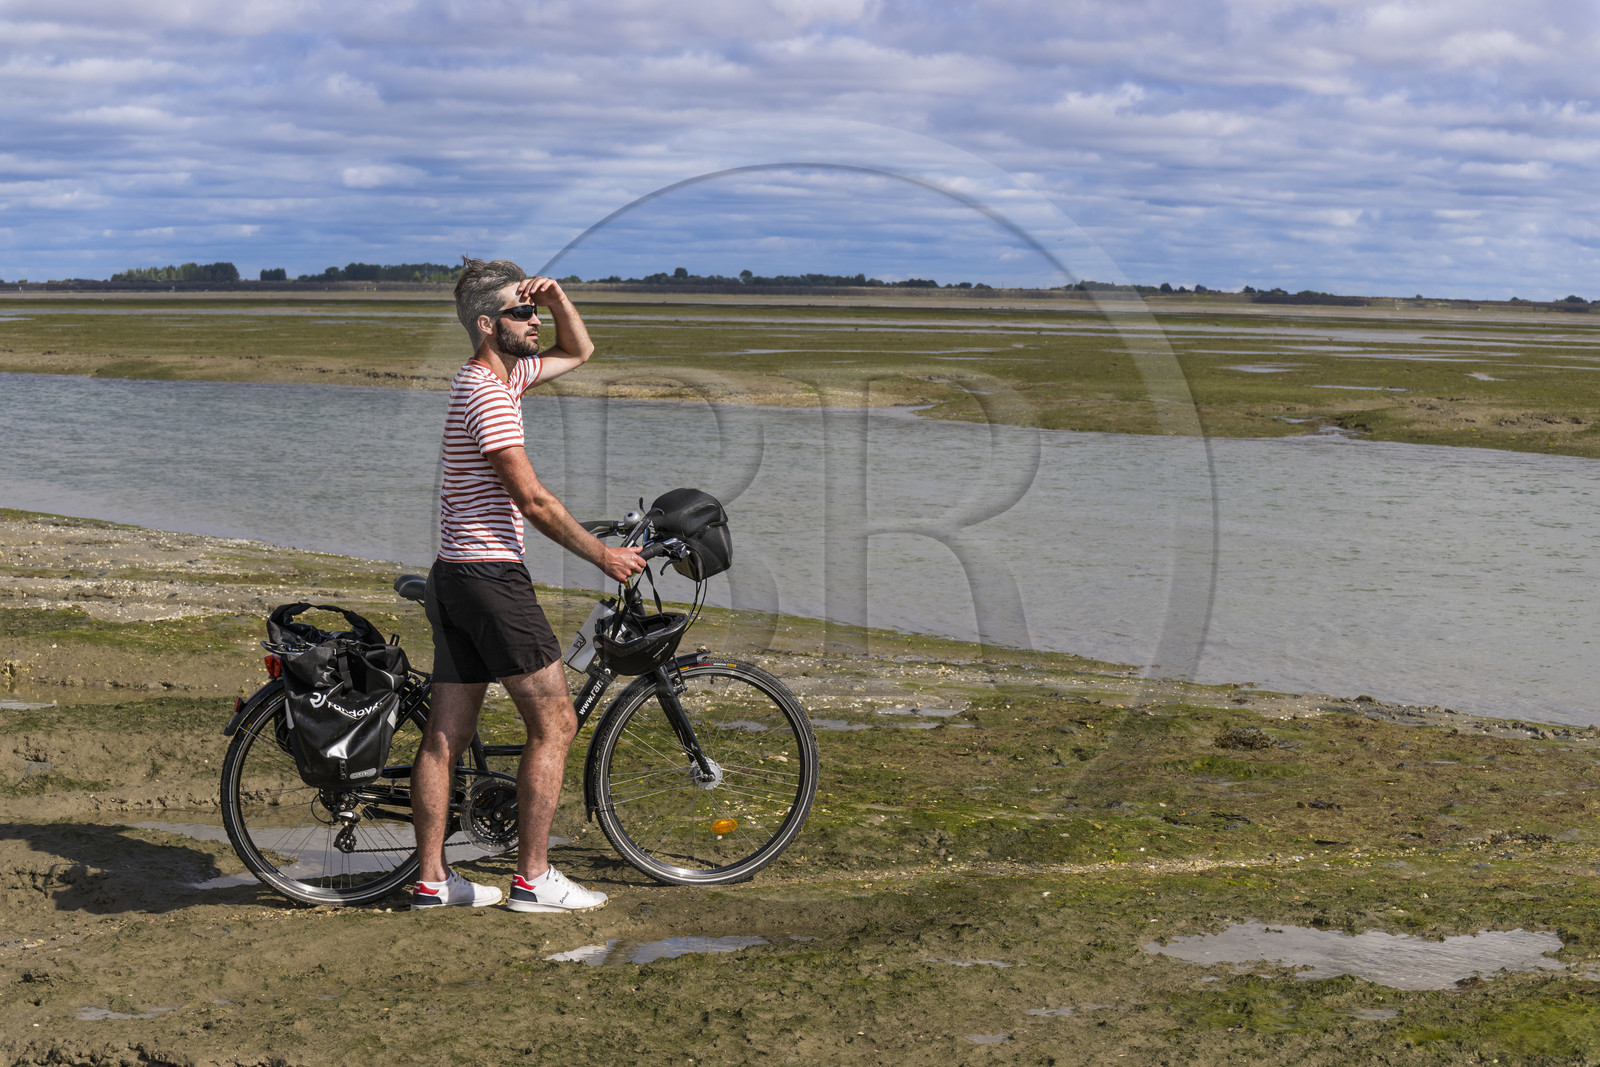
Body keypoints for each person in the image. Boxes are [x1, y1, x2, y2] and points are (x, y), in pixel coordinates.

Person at [410, 257, 646, 912]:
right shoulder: (490, 396)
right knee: (557, 721)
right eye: (522, 311)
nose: (534, 320)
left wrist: (558, 294)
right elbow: (534, 500)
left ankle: (433, 880)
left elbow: (582, 347)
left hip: (454, 573)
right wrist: (605, 555)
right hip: (490, 577)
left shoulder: (503, 376)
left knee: (445, 736)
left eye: (533, 309)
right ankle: (533, 879)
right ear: (488, 325)